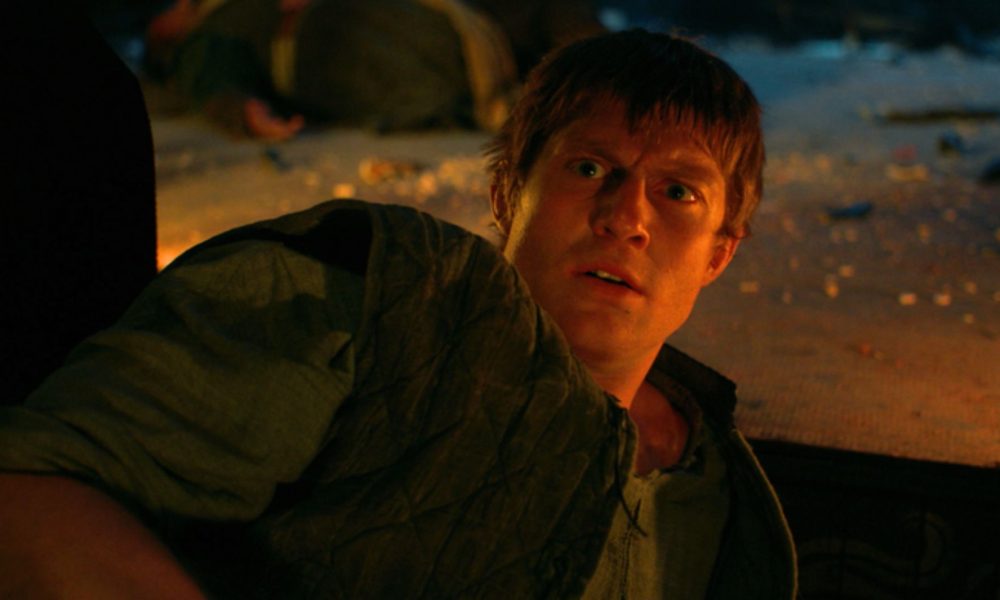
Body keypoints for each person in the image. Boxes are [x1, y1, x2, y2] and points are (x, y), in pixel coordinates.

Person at [0, 30, 796, 598]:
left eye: (678, 192)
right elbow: (28, 491)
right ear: (506, 194)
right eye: (589, 168)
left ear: (719, 254)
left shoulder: (728, 505)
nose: (626, 216)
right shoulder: (382, 298)